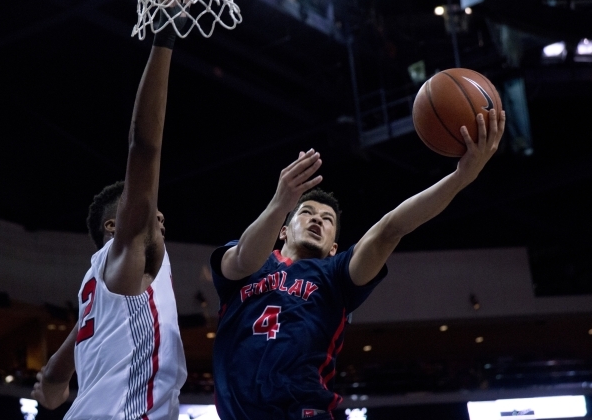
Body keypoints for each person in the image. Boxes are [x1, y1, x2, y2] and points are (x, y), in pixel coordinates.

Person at [210, 110, 506, 419]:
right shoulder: (249, 260)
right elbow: (245, 257)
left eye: (328, 220)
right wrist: (280, 203)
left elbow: (390, 229)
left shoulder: (335, 275)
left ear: (334, 247)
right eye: (307, 212)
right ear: (283, 230)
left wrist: (461, 178)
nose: (317, 220)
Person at [31, 3, 189, 419]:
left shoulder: (96, 295)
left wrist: (51, 386)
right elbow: (143, 147)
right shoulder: (126, 258)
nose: (158, 218)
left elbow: (51, 378)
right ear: (116, 225)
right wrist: (165, 36)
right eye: (149, 212)